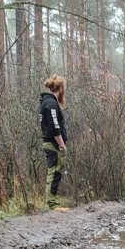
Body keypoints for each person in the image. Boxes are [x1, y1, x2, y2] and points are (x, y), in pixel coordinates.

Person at [39, 75, 68, 209]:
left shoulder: (47, 102)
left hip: (50, 143)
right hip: (53, 144)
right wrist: (62, 145)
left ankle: (52, 203)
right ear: (61, 88)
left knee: (55, 171)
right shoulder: (51, 104)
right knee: (54, 172)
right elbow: (55, 127)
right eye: (64, 88)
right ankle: (53, 204)